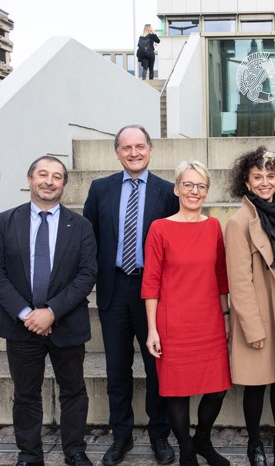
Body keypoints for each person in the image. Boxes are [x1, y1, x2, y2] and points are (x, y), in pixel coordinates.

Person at [0, 156, 97, 466]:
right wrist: (27, 314)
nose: (49, 181)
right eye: (43, 174)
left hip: (67, 323)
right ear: (30, 179)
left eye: (57, 176)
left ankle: (74, 450)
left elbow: (87, 274)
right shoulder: (5, 221)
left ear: (64, 184)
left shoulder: (81, 225)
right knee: (26, 394)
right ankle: (29, 454)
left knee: (73, 390)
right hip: (19, 325)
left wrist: (51, 312)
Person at [83, 125, 178, 465]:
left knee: (158, 369)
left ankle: (159, 435)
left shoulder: (168, 192)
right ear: (117, 152)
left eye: (140, 146)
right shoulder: (100, 189)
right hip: (115, 288)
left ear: (150, 150)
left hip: (154, 292)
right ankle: (121, 436)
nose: (134, 152)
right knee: (117, 368)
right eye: (127, 147)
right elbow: (89, 238)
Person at [144, 160, 232, 466]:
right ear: (177, 188)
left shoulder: (213, 227)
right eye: (188, 184)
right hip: (173, 323)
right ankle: (185, 449)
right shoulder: (160, 228)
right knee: (177, 393)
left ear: (207, 191)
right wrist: (152, 329)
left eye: (201, 186)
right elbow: (151, 281)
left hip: (209, 321)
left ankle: (202, 440)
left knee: (218, 389)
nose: (194, 191)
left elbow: (221, 275)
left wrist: (226, 317)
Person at [224, 147, 275, 466]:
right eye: (258, 177)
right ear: (246, 181)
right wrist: (252, 327)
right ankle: (255, 444)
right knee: (256, 384)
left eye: (270, 176)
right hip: (259, 312)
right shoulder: (240, 222)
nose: (265, 182)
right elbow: (239, 282)